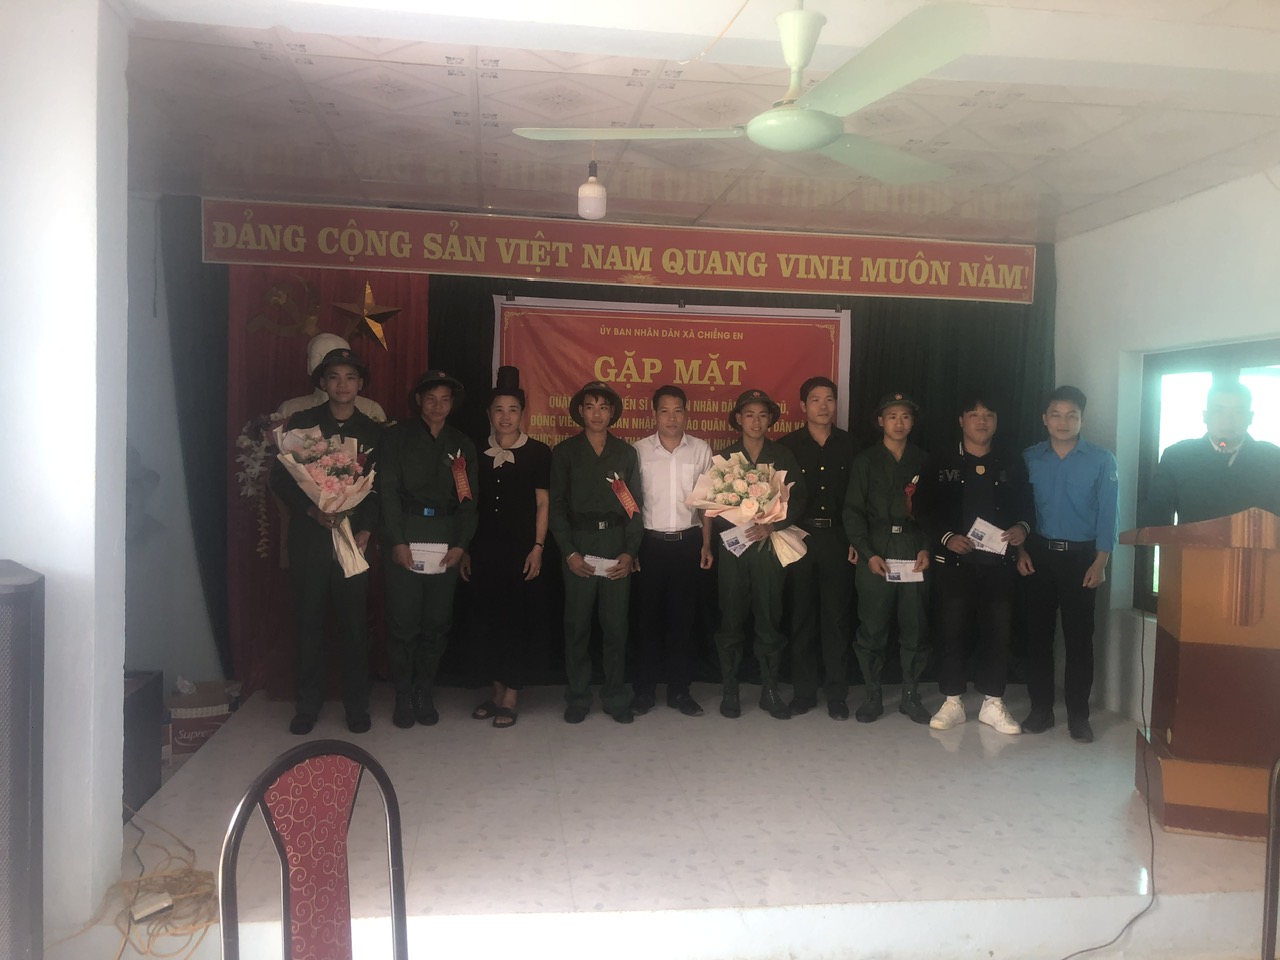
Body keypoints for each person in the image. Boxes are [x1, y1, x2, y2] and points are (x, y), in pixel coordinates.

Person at [268, 348, 381, 735]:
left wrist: (367, 528)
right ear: (322, 383)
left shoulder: (374, 431)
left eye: (350, 377)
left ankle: (357, 706)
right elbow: (282, 478)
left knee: (354, 626)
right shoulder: (304, 425)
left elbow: (380, 487)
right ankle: (307, 705)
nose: (342, 384)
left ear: (360, 384)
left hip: (353, 540)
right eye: (334, 377)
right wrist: (312, 510)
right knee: (308, 622)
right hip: (311, 538)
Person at [913, 394, 1034, 735]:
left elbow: (1027, 505)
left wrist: (1022, 529)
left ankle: (993, 702)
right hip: (954, 563)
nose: (982, 421)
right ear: (961, 421)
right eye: (974, 415)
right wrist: (946, 537)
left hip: (999, 564)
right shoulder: (940, 460)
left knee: (998, 633)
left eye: (989, 415)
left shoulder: (1011, 460)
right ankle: (952, 701)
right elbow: (922, 507)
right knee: (951, 632)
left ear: (996, 421)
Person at [1018, 386, 1118, 744]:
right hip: (1038, 555)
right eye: (1056, 415)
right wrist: (1020, 551)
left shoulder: (1102, 459)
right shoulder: (1029, 457)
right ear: (1045, 419)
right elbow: (1018, 510)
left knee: (1079, 640)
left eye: (1071, 415)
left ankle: (1079, 715)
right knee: (1037, 637)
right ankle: (1040, 710)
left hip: (1082, 558)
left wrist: (1101, 561)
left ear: (1082, 419)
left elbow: (1109, 513)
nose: (1063, 422)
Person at [379, 370, 478, 728]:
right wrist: (396, 540)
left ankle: (424, 692)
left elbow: (468, 502)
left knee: (436, 623)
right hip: (406, 533)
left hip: (444, 539)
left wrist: (461, 545)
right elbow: (387, 493)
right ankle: (403, 694)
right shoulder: (396, 437)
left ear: (452, 404)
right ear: (419, 399)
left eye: (445, 400)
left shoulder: (462, 444)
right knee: (404, 623)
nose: (438, 406)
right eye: (431, 398)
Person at [461, 366, 551, 729]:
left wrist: (538, 547)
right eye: (499, 410)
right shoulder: (475, 453)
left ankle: (512, 694)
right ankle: (496, 692)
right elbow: (468, 504)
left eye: (513, 410)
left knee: (517, 621)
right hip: (484, 549)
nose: (506, 417)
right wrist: (466, 548)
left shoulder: (538, 453)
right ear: (489, 414)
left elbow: (543, 504)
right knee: (488, 620)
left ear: (522, 413)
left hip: (521, 550)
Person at [709, 389, 807, 720]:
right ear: (738, 419)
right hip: (734, 548)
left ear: (770, 420)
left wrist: (772, 525)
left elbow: (799, 500)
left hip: (768, 547)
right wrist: (736, 518)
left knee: (769, 616)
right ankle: (730, 690)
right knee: (731, 618)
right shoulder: (725, 457)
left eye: (762, 415)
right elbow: (711, 504)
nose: (756, 421)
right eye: (749, 414)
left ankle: (769, 690)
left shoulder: (783, 455)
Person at [549, 380, 644, 724]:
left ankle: (615, 695)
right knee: (577, 626)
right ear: (580, 411)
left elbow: (635, 507)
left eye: (603, 407)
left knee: (615, 627)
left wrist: (630, 552)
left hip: (615, 543)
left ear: (613, 412)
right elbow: (557, 506)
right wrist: (569, 552)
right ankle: (578, 696)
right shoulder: (565, 452)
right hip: (580, 544)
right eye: (590, 406)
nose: (597, 414)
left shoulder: (625, 453)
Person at [842, 392, 932, 725]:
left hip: (913, 548)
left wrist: (926, 547)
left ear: (913, 422)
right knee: (872, 627)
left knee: (915, 626)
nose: (899, 423)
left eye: (905, 416)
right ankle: (872, 693)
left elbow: (935, 510)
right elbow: (852, 511)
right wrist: (866, 553)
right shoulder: (865, 461)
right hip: (877, 548)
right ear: (880, 421)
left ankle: (910, 694)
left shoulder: (924, 460)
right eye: (892, 416)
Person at [631, 385, 715, 718]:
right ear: (653, 414)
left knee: (683, 621)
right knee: (646, 622)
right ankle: (643, 691)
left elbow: (707, 504)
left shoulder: (701, 450)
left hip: (688, 543)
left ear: (686, 413)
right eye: (664, 411)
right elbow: (631, 505)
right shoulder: (638, 451)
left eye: (678, 410)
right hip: (649, 544)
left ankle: (680, 691)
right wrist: (632, 547)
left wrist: (706, 544)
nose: (671, 417)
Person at [779, 376, 856, 720]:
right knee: (801, 617)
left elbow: (857, 500)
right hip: (799, 538)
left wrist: (855, 539)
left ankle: (837, 694)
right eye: (815, 400)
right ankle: (804, 692)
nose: (823, 406)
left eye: (829, 399)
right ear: (802, 406)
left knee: (836, 619)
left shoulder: (851, 445)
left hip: (838, 539)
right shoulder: (787, 447)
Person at [1139, 380, 1280, 526]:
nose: (1228, 421)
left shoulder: (1273, 459)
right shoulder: (1177, 457)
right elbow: (1155, 518)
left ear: (1250, 418)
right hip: (1191, 541)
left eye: (1238, 412)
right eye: (1218, 411)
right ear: (1205, 416)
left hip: (1256, 540)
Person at [277, 332, 387, 421]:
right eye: (316, 357)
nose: (342, 384)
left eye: (349, 377)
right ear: (308, 364)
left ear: (359, 382)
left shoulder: (370, 410)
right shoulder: (290, 410)